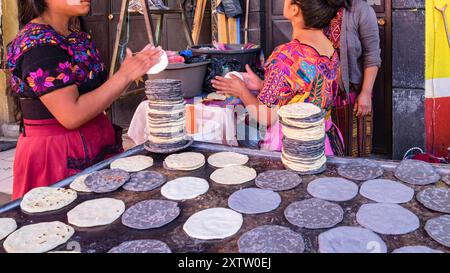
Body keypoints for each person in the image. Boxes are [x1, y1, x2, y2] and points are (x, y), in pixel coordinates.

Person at [7, 0, 162, 199]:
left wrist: (131, 72)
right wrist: (124, 75)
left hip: (95, 141)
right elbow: (71, 115)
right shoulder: (37, 43)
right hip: (57, 154)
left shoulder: (77, 37)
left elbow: (97, 95)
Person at [212, 0, 348, 156]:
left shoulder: (286, 56)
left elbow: (265, 117)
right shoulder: (330, 48)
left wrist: (241, 90)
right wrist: (263, 85)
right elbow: (305, 93)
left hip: (293, 147)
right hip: (323, 141)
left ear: (294, 9)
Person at [323, 0, 381, 157]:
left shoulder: (362, 11)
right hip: (320, 98)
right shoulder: (318, 8)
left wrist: (366, 93)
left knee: (353, 154)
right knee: (323, 154)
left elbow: (372, 56)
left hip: (351, 97)